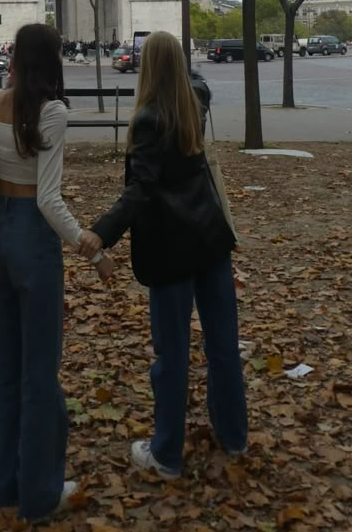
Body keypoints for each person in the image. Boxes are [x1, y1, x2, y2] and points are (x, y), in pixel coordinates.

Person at [80, 30, 247, 478]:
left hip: (172, 249)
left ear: (147, 66)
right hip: (210, 240)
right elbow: (198, 79)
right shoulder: (196, 101)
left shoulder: (151, 119)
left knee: (171, 356)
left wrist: (101, 232)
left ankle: (168, 454)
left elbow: (142, 190)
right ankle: (233, 437)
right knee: (223, 347)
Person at [0, 23, 112, 522]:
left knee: (2, 374)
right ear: (50, 60)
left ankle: (2, 487)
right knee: (39, 376)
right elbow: (50, 200)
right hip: (33, 240)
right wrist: (90, 249)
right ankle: (40, 494)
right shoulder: (53, 112)